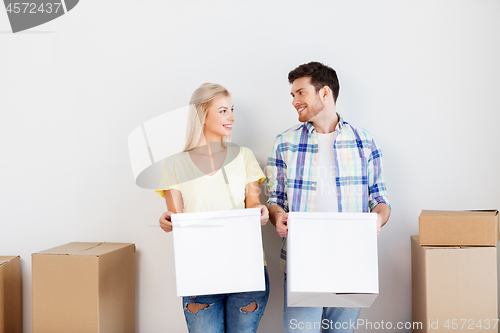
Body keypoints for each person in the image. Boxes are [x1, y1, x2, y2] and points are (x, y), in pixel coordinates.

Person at [266, 62, 391, 333]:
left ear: (324, 93)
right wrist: (278, 216)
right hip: (303, 261)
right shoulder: (284, 143)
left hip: (352, 259)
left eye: (301, 93)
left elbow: (380, 199)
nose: (295, 101)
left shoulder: (364, 141)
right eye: (292, 96)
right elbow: (274, 199)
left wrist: (377, 219)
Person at [157, 83, 269, 333]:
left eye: (231, 109)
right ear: (202, 116)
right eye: (223, 110)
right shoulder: (174, 165)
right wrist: (167, 220)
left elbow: (253, 203)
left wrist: (260, 211)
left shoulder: (245, 156)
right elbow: (175, 217)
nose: (232, 117)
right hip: (199, 272)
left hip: (246, 270)